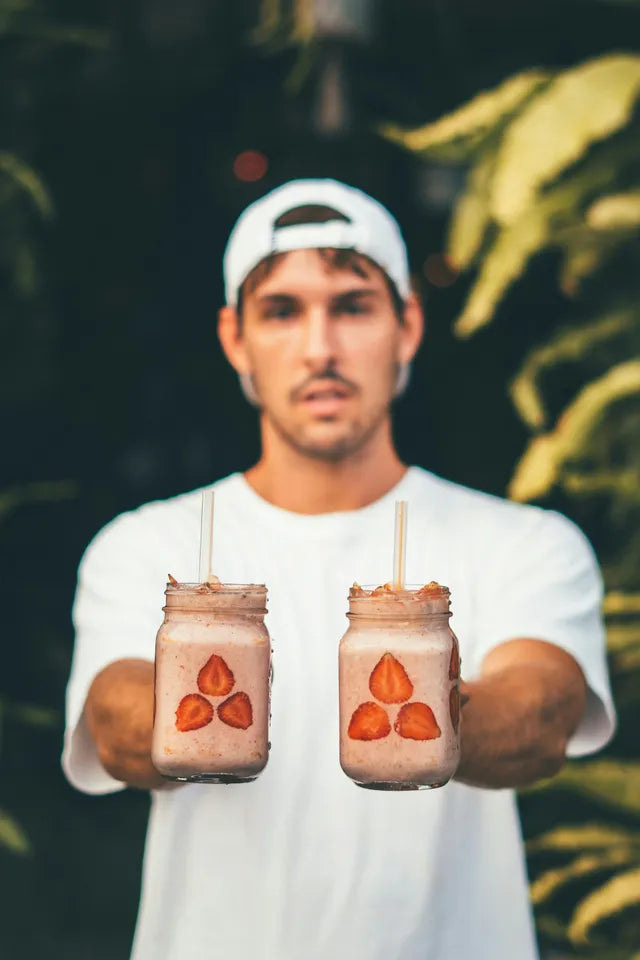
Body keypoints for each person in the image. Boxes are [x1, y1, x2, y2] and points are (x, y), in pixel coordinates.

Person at [62, 179, 616, 960]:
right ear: (234, 338)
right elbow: (118, 728)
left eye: (352, 306)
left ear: (408, 325)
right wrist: (204, 699)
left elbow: (541, 719)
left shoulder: (524, 543)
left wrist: (414, 708)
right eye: (282, 311)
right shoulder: (149, 545)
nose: (320, 347)